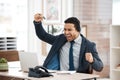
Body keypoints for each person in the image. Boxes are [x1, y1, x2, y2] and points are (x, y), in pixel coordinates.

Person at [33, 13, 103, 74]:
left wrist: (92, 60)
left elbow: (100, 67)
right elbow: (44, 36)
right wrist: (37, 23)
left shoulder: (89, 45)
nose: (66, 33)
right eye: (65, 29)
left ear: (78, 30)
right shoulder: (60, 39)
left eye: (69, 30)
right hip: (60, 77)